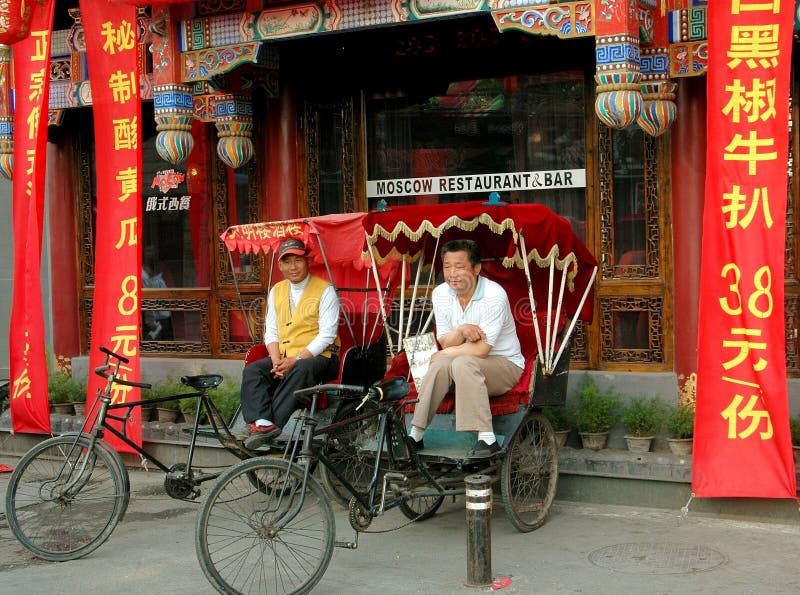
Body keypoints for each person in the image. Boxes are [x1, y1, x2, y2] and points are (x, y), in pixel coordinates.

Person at [407, 239, 524, 458]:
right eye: (447, 266)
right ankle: (416, 434)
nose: (453, 273)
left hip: (504, 365)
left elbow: (481, 351)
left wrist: (444, 353)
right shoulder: (441, 293)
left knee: (459, 361)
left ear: (477, 269)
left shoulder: (493, 296)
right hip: (461, 365)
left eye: (460, 267)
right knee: (445, 362)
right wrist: (461, 331)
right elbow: (446, 341)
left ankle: (487, 439)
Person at [241, 238, 340, 449]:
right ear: (280, 265)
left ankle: (273, 424)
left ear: (308, 261)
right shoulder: (276, 290)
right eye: (287, 262)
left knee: (300, 368)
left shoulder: (325, 290)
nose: (292, 267)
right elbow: (272, 331)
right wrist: (276, 360)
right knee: (253, 371)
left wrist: (294, 359)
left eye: (298, 260)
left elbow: (327, 335)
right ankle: (262, 423)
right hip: (284, 355)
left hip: (320, 357)